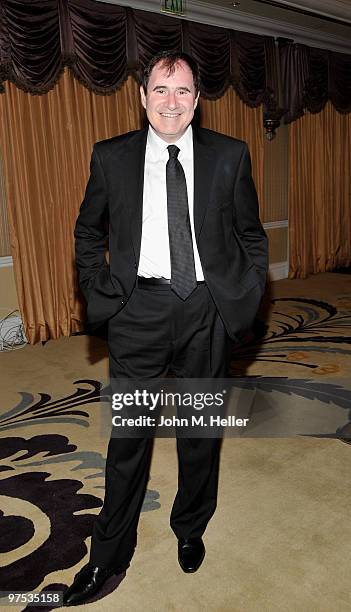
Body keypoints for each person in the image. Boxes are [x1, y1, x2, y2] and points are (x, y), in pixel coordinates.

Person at [63, 50, 268, 606]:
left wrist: (242, 299)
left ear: (197, 99)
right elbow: (88, 233)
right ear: (143, 95)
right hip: (139, 313)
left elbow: (251, 235)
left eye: (182, 91)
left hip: (206, 312)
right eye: (161, 90)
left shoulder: (230, 155)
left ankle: (190, 528)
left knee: (199, 435)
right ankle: (108, 554)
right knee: (128, 439)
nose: (171, 102)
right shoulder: (112, 157)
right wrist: (103, 292)